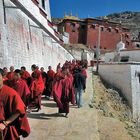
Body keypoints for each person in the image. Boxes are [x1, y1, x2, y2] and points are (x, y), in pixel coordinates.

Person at [0, 68, 30, 139]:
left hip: (5, 129)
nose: (15, 76)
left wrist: (5, 123)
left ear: (3, 77)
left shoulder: (10, 93)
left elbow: (19, 110)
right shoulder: (10, 82)